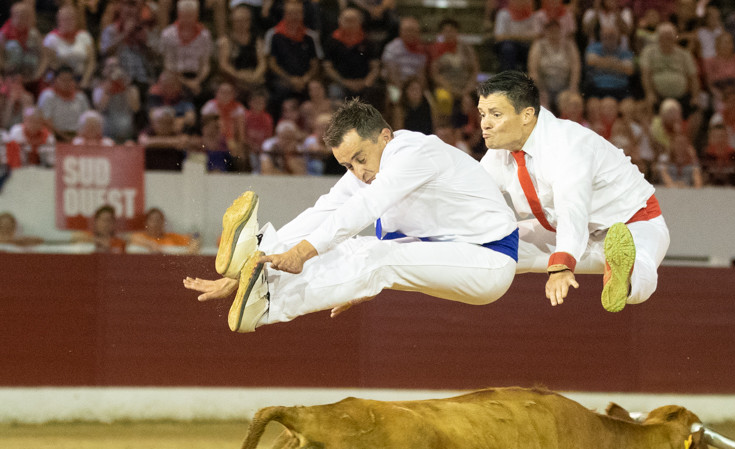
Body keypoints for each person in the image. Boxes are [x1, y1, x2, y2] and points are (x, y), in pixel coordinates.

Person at [183, 98, 520, 332]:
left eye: (360, 158)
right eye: (348, 165)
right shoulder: (370, 168)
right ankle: (258, 274)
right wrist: (245, 269)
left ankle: (268, 304)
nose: (359, 172)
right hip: (455, 251)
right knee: (348, 248)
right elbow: (324, 211)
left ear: (385, 136)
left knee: (371, 255)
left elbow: (367, 206)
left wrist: (301, 253)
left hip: (489, 260)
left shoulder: (414, 152)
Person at [477, 71, 668, 312]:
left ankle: (623, 275)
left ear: (526, 115)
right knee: (493, 239)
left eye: (495, 114)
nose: (485, 123)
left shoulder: (568, 145)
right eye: (482, 114)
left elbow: (572, 209)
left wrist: (562, 266)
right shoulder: (502, 147)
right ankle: (442, 255)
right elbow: (472, 193)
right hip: (560, 229)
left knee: (642, 266)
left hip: (633, 222)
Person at [37, 65, 90, 141]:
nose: (67, 83)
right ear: (55, 80)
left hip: (78, 137)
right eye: (63, 80)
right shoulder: (48, 96)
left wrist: (77, 138)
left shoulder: (81, 97)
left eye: (70, 80)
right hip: (54, 135)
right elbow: (46, 121)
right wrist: (64, 137)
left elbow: (87, 120)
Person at [129, 207, 200, 252]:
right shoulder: (140, 237)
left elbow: (196, 237)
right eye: (153, 220)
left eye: (159, 220)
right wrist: (151, 244)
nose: (156, 223)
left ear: (163, 223)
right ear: (146, 223)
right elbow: (131, 238)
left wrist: (191, 250)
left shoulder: (171, 237)